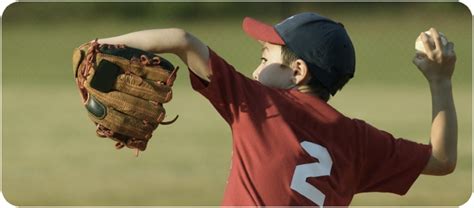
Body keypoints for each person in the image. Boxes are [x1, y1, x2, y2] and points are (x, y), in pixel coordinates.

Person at [98, 12, 457, 206]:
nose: (256, 70)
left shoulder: (259, 104)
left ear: (296, 72)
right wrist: (440, 81)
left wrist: (100, 46)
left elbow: (181, 39)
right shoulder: (358, 141)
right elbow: (442, 160)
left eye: (264, 57)